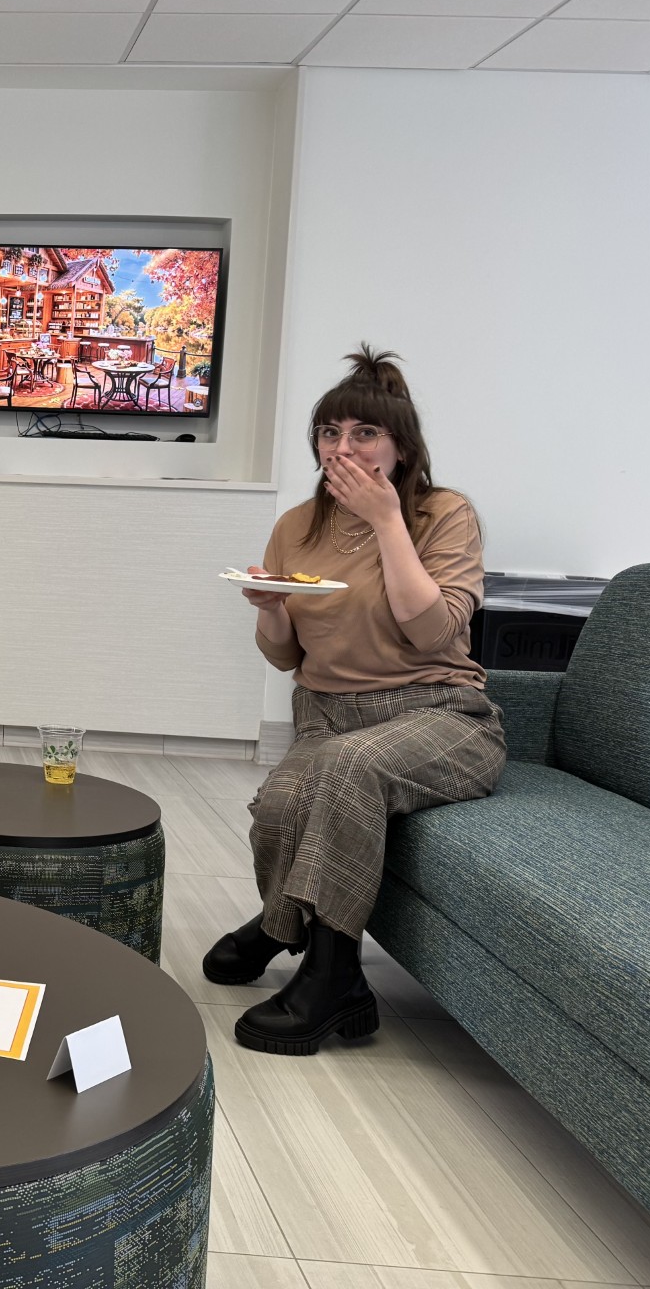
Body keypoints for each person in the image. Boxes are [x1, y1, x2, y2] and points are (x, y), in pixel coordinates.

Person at [204, 346, 506, 1055]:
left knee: (343, 770)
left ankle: (335, 978)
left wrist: (387, 522)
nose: (344, 448)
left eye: (364, 434)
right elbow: (286, 656)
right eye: (330, 433)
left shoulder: (442, 515)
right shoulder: (297, 527)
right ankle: (281, 924)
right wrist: (270, 605)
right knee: (278, 806)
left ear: (401, 447)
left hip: (440, 715)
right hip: (328, 715)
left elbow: (433, 629)